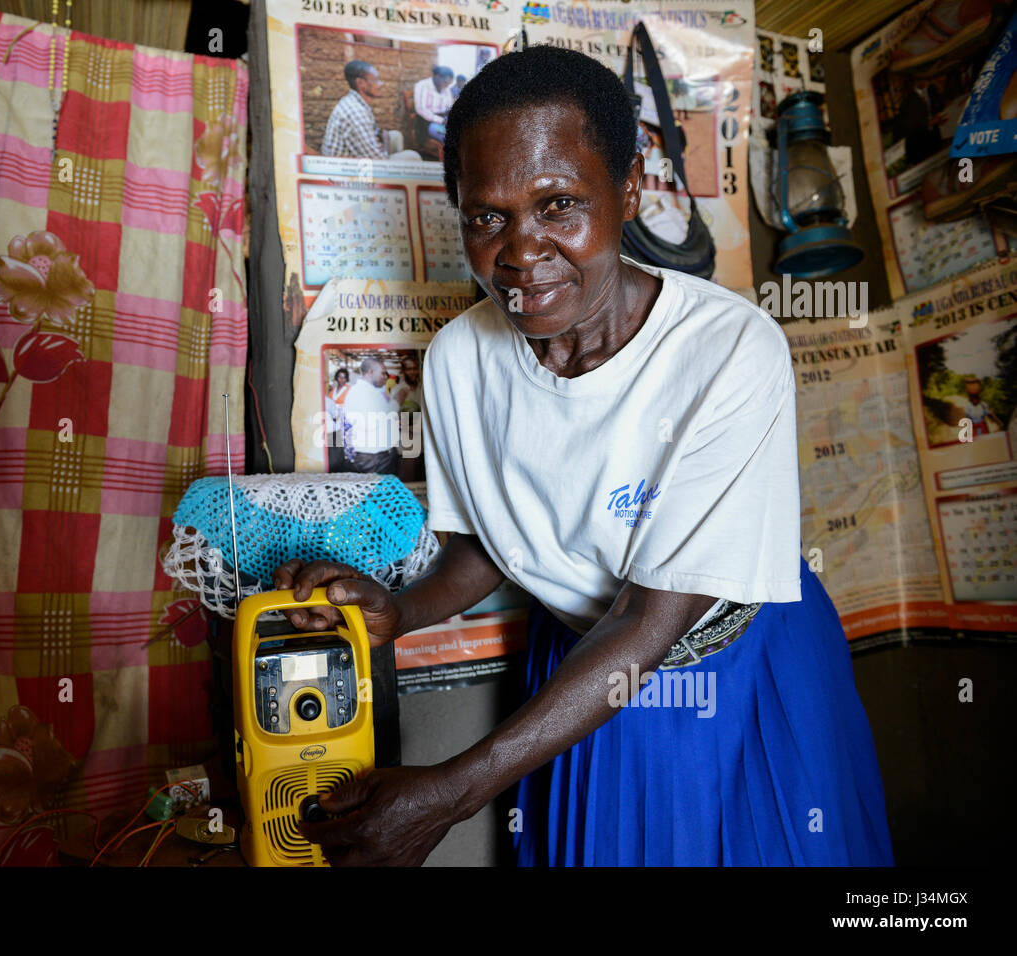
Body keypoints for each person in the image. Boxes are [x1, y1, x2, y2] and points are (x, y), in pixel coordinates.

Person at [275, 44, 894, 867]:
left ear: (629, 187)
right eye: (486, 216)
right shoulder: (461, 358)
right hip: (581, 673)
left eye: (559, 205)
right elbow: (491, 546)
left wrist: (451, 794)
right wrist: (401, 611)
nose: (521, 254)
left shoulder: (729, 351)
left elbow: (649, 621)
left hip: (741, 665)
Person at [322, 60, 420, 161]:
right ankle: (391, 173)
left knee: (395, 135)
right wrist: (385, 143)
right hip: (345, 169)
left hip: (355, 156)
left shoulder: (354, 100)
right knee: (413, 157)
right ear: (361, 83)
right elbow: (378, 160)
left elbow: (373, 131)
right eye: (376, 80)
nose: (382, 84)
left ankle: (395, 173)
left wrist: (380, 138)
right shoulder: (356, 113)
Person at [335, 355, 401, 475]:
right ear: (371, 372)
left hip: (371, 457)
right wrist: (397, 401)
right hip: (372, 459)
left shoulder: (367, 391)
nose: (385, 377)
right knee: (377, 492)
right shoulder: (363, 393)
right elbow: (373, 422)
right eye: (383, 373)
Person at [413, 65, 455, 143]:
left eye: (449, 83)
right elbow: (421, 109)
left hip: (444, 120)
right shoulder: (423, 85)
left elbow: (450, 106)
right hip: (427, 122)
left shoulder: (446, 88)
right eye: (445, 82)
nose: (447, 86)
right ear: (437, 76)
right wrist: (441, 121)